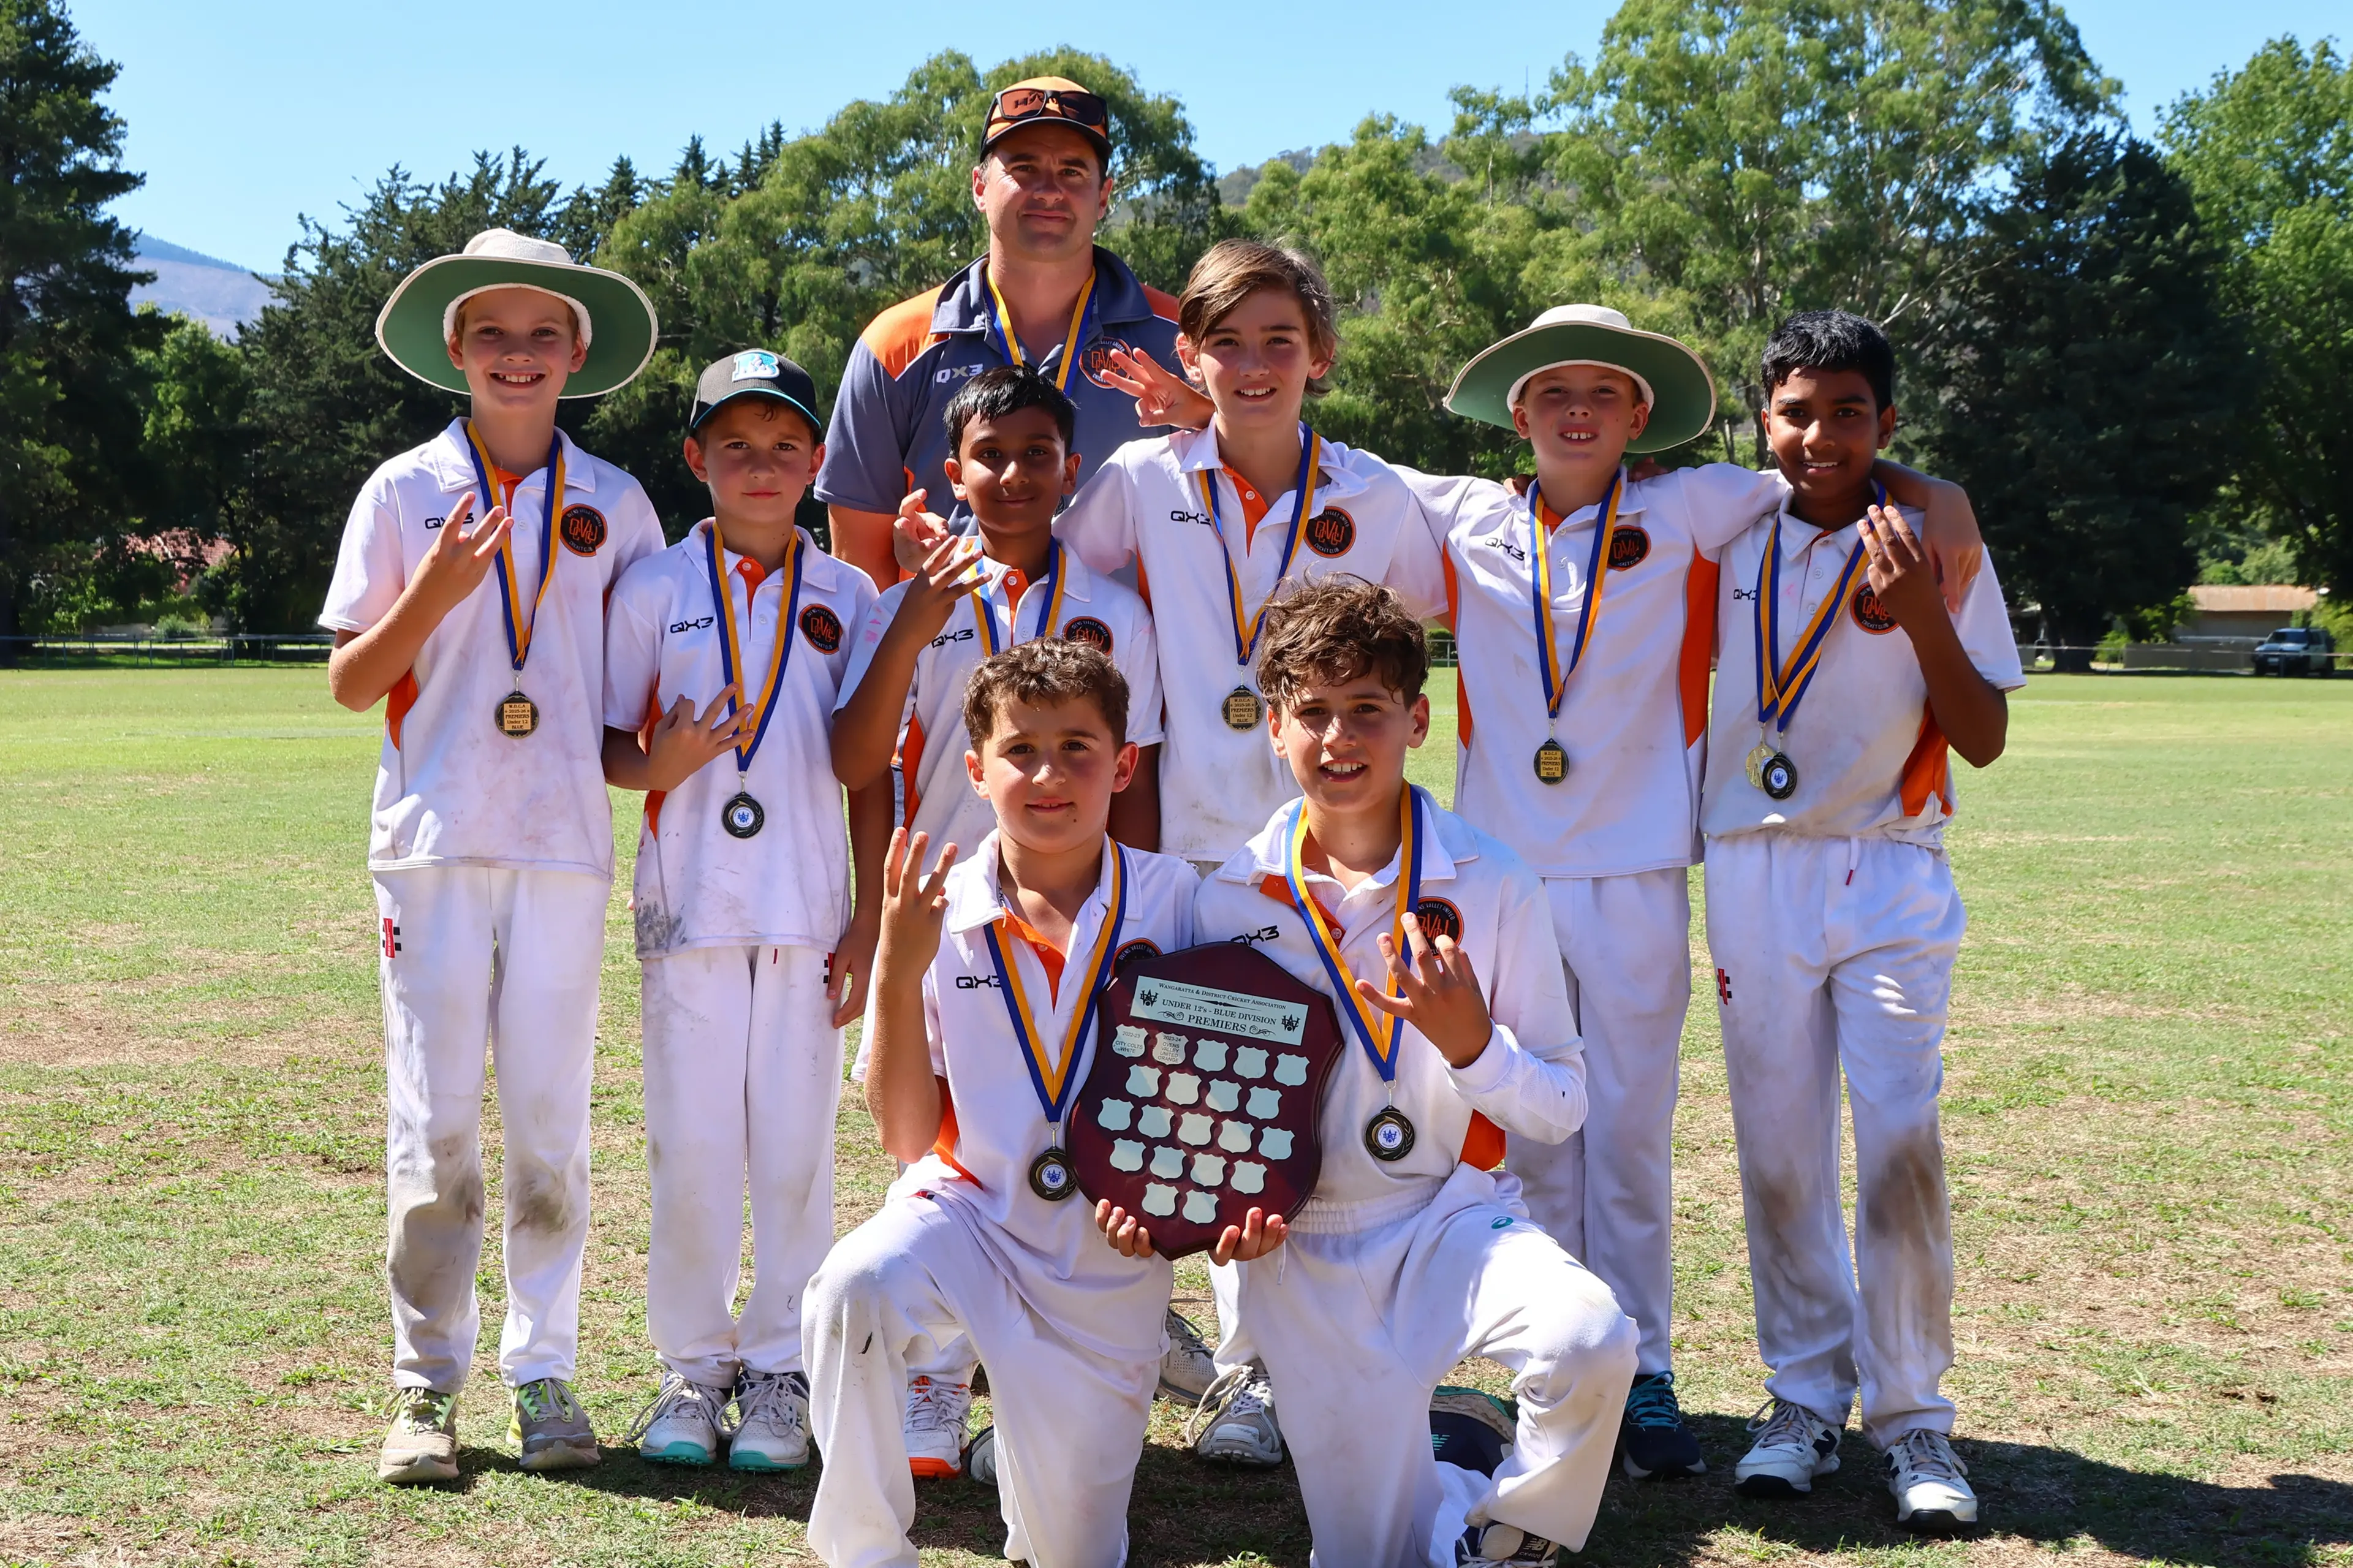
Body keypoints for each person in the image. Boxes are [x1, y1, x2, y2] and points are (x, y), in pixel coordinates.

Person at [1398, 303, 1984, 1479]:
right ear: (1517, 412)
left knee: (1627, 1135)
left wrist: (1947, 496)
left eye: (1602, 393)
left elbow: (1828, 459)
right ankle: (1552, 1364)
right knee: (1528, 1131)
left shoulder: (1694, 505)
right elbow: (1325, 481)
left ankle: (1645, 1364)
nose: (1576, 411)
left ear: (1639, 415)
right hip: (1504, 873)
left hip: (1640, 871)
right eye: (1553, 391)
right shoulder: (1459, 515)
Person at [1141, 577, 1635, 1566]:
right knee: (1376, 1555)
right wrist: (1219, 1207)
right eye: (1313, 711)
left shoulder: (1492, 881)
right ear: (1273, 726)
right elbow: (1196, 1105)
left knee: (1591, 1337)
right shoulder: (1223, 896)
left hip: (1451, 1215)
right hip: (1299, 1250)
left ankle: (1512, 1534)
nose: (1339, 737)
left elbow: (1563, 1104)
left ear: (1418, 719)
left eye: (1367, 707)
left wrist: (1474, 1044)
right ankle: (1456, 1452)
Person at [1049, 237, 1447, 1461]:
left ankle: (1323, 1354)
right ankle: (1236, 1371)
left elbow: (1419, 634)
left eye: (1281, 339)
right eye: (1227, 342)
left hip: (1331, 850)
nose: (1255, 363)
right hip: (1188, 851)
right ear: (1191, 356)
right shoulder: (1137, 478)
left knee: (1331, 1096)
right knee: (1212, 1094)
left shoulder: (1374, 495)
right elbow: (1074, 605)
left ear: (1320, 353)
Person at [321, 229, 663, 1482]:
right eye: (494, 335)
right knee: (435, 1125)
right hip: (433, 844)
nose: (518, 355)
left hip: (564, 849)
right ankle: (425, 1384)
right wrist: (434, 591)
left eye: (542, 335)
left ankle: (544, 1372)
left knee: (550, 1124)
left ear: (577, 351)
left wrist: (677, 759)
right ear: (455, 349)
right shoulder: (403, 490)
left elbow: (628, 714)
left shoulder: (618, 503)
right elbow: (353, 680)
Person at [1702, 309, 2022, 1531]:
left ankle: (1914, 1414)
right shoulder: (1727, 526)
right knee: (1778, 1147)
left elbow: (1984, 737)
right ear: (1763, 420)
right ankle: (1800, 1397)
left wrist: (1923, 606)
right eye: (1797, 412)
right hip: (1753, 863)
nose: (1821, 436)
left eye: (1850, 413)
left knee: (1900, 1142)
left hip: (1891, 864)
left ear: (1887, 423)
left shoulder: (1933, 534)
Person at [831, 365, 1182, 1475]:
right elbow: (856, 758)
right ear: (953, 470)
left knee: (1062, 1127)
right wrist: (913, 617)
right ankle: (935, 1376)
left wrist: (1139, 911)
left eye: (1039, 454)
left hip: (1075, 912)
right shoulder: (911, 597)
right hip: (944, 901)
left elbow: (1134, 775)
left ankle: (1048, 1364)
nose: (1016, 474)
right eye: (992, 455)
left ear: (1073, 471)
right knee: (945, 1144)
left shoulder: (1117, 610)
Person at [802, 639, 1204, 1568]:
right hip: (969, 1218)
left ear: (1124, 764)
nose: (1049, 774)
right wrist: (897, 967)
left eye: (1077, 748)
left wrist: (1187, 1205)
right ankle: (868, 1553)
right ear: (977, 771)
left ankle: (1025, 1449)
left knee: (1072, 1553)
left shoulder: (1182, 903)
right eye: (1021, 750)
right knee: (853, 1286)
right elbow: (907, 1132)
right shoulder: (935, 907)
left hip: (1107, 1258)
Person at [599, 352, 887, 1469]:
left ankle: (779, 1366)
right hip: (689, 908)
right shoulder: (653, 589)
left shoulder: (849, 596)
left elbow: (871, 772)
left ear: (815, 463)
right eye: (735, 446)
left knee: (795, 1151)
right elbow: (610, 745)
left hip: (808, 909)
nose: (760, 466)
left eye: (783, 447)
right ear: (696, 459)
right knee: (694, 1147)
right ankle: (691, 1366)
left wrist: (868, 915)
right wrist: (657, 762)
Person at [816, 76, 1183, 588]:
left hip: (1131, 640)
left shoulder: (1183, 340)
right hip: (950, 641)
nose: (1050, 190)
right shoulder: (895, 348)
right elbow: (859, 576)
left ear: (1104, 196)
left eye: (1073, 171)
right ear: (979, 187)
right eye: (1024, 168)